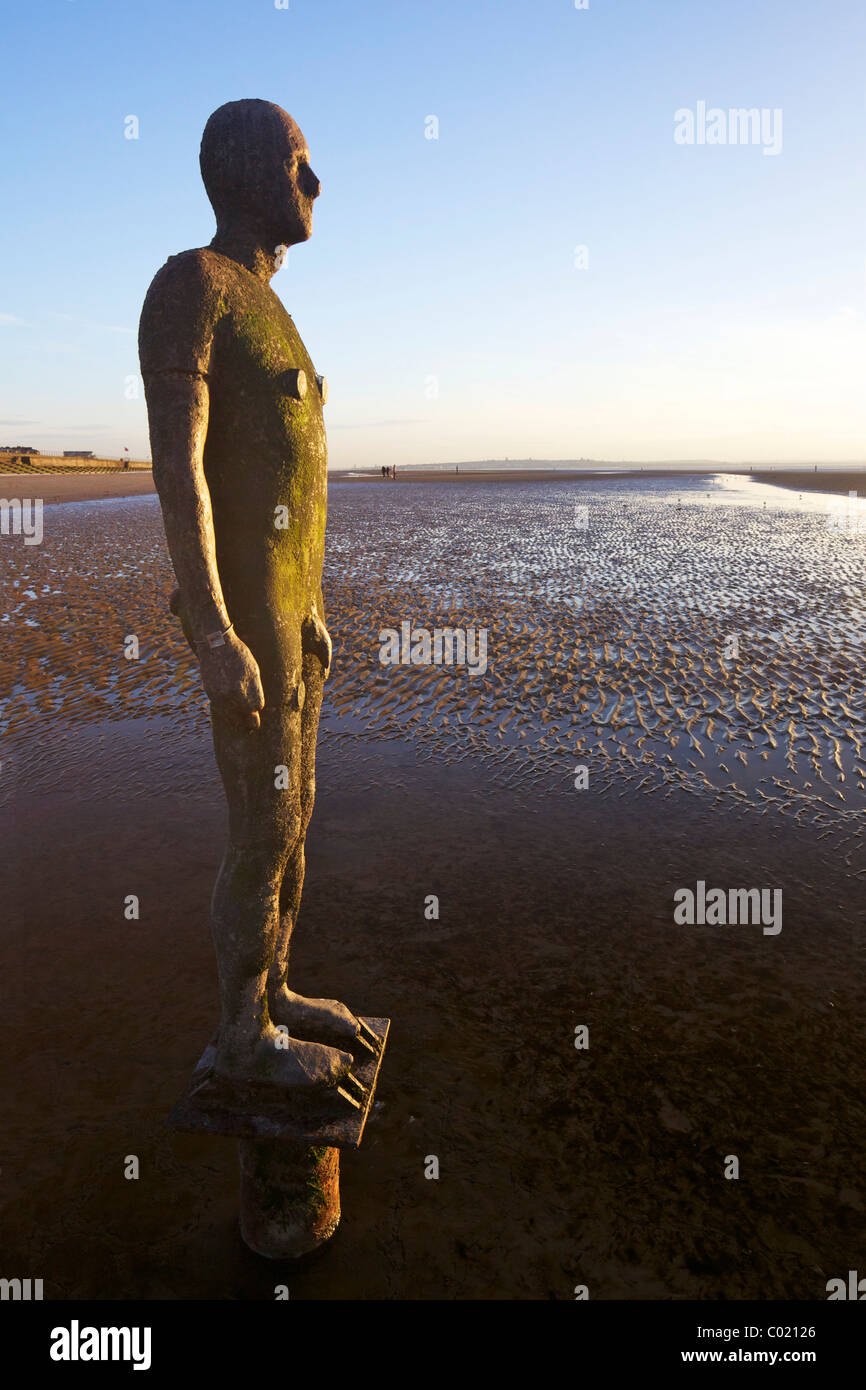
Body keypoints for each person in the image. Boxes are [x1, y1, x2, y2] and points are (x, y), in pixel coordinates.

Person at [139, 100, 368, 1098]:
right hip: (244, 623)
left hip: (293, 620)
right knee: (261, 831)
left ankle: (276, 991)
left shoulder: (271, 305)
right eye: (296, 162)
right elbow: (179, 471)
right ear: (239, 172)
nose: (314, 184)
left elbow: (291, 480)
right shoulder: (192, 286)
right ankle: (243, 1034)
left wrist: (310, 615)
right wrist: (214, 633)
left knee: (299, 816)